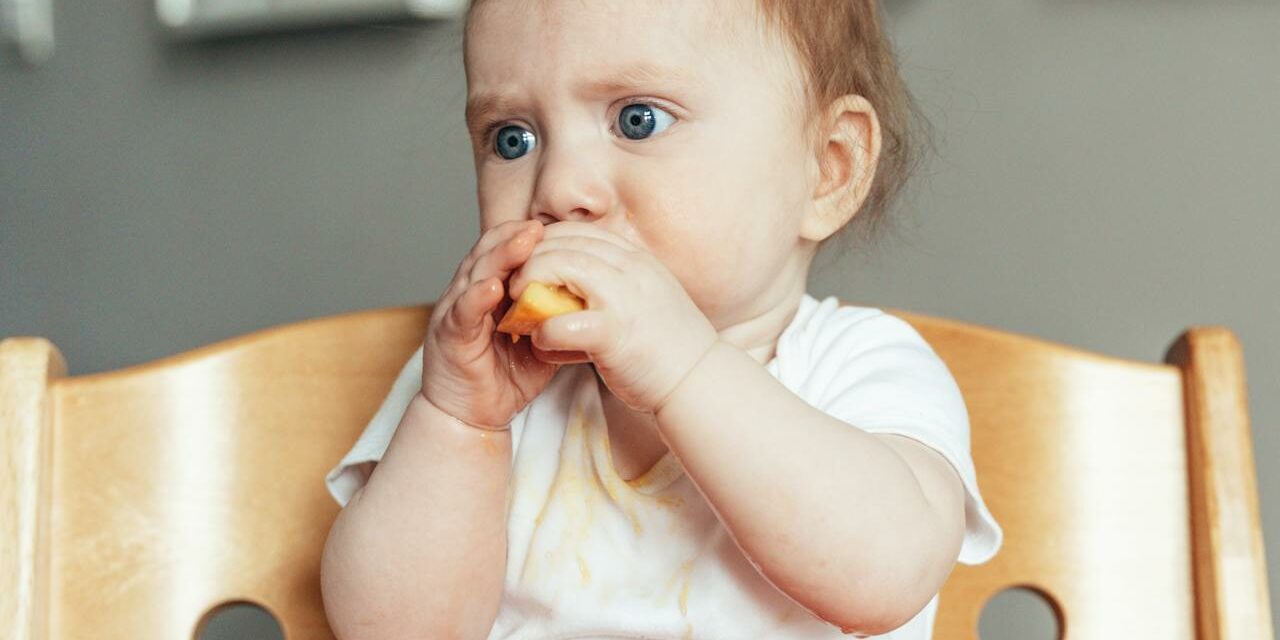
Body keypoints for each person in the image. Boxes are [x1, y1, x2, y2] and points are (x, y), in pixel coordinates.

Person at [320, 0, 1003, 637]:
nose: (559, 187)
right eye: (512, 138)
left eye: (637, 119)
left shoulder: (861, 366)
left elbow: (886, 574)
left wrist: (684, 370)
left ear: (827, 170)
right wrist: (459, 423)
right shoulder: (476, 383)